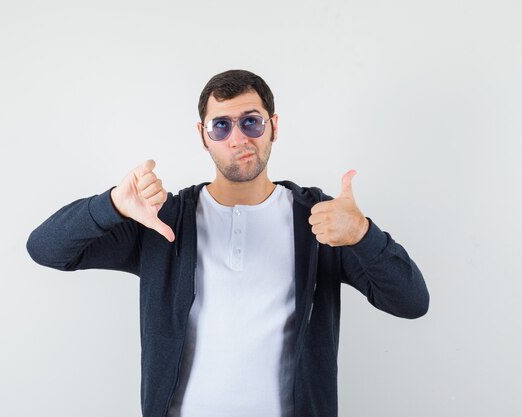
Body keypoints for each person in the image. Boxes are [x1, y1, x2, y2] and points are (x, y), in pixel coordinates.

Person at [26, 69, 429, 417]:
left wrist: (363, 235)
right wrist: (112, 203)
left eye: (251, 122)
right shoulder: (164, 220)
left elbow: (411, 302)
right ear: (203, 136)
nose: (238, 138)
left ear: (274, 126)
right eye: (221, 125)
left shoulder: (319, 221)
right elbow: (46, 249)